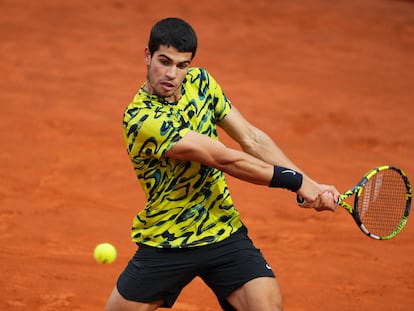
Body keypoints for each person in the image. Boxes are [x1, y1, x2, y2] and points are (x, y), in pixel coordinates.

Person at [105, 17, 339, 311]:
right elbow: (223, 158)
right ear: (147, 56)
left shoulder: (201, 83)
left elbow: (252, 139)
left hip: (221, 228)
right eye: (164, 61)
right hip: (168, 239)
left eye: (182, 65)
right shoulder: (141, 119)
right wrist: (295, 182)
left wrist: (310, 184)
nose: (171, 74)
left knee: (267, 307)